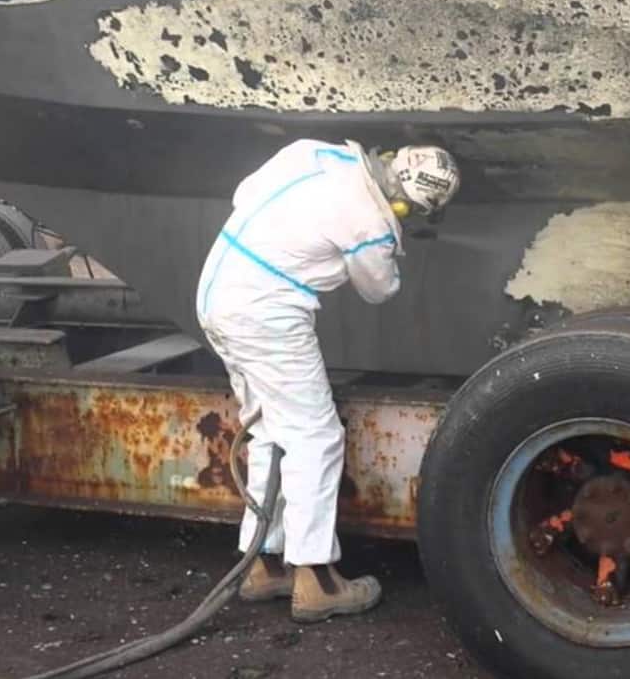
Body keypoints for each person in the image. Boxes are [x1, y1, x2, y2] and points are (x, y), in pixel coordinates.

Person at [196, 139, 460, 622]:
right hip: (266, 315)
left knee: (271, 430)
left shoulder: (316, 152)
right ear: (405, 202)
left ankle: (262, 564)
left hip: (218, 295)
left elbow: (243, 193)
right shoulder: (372, 223)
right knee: (316, 435)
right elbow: (379, 290)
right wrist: (392, 238)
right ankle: (316, 579)